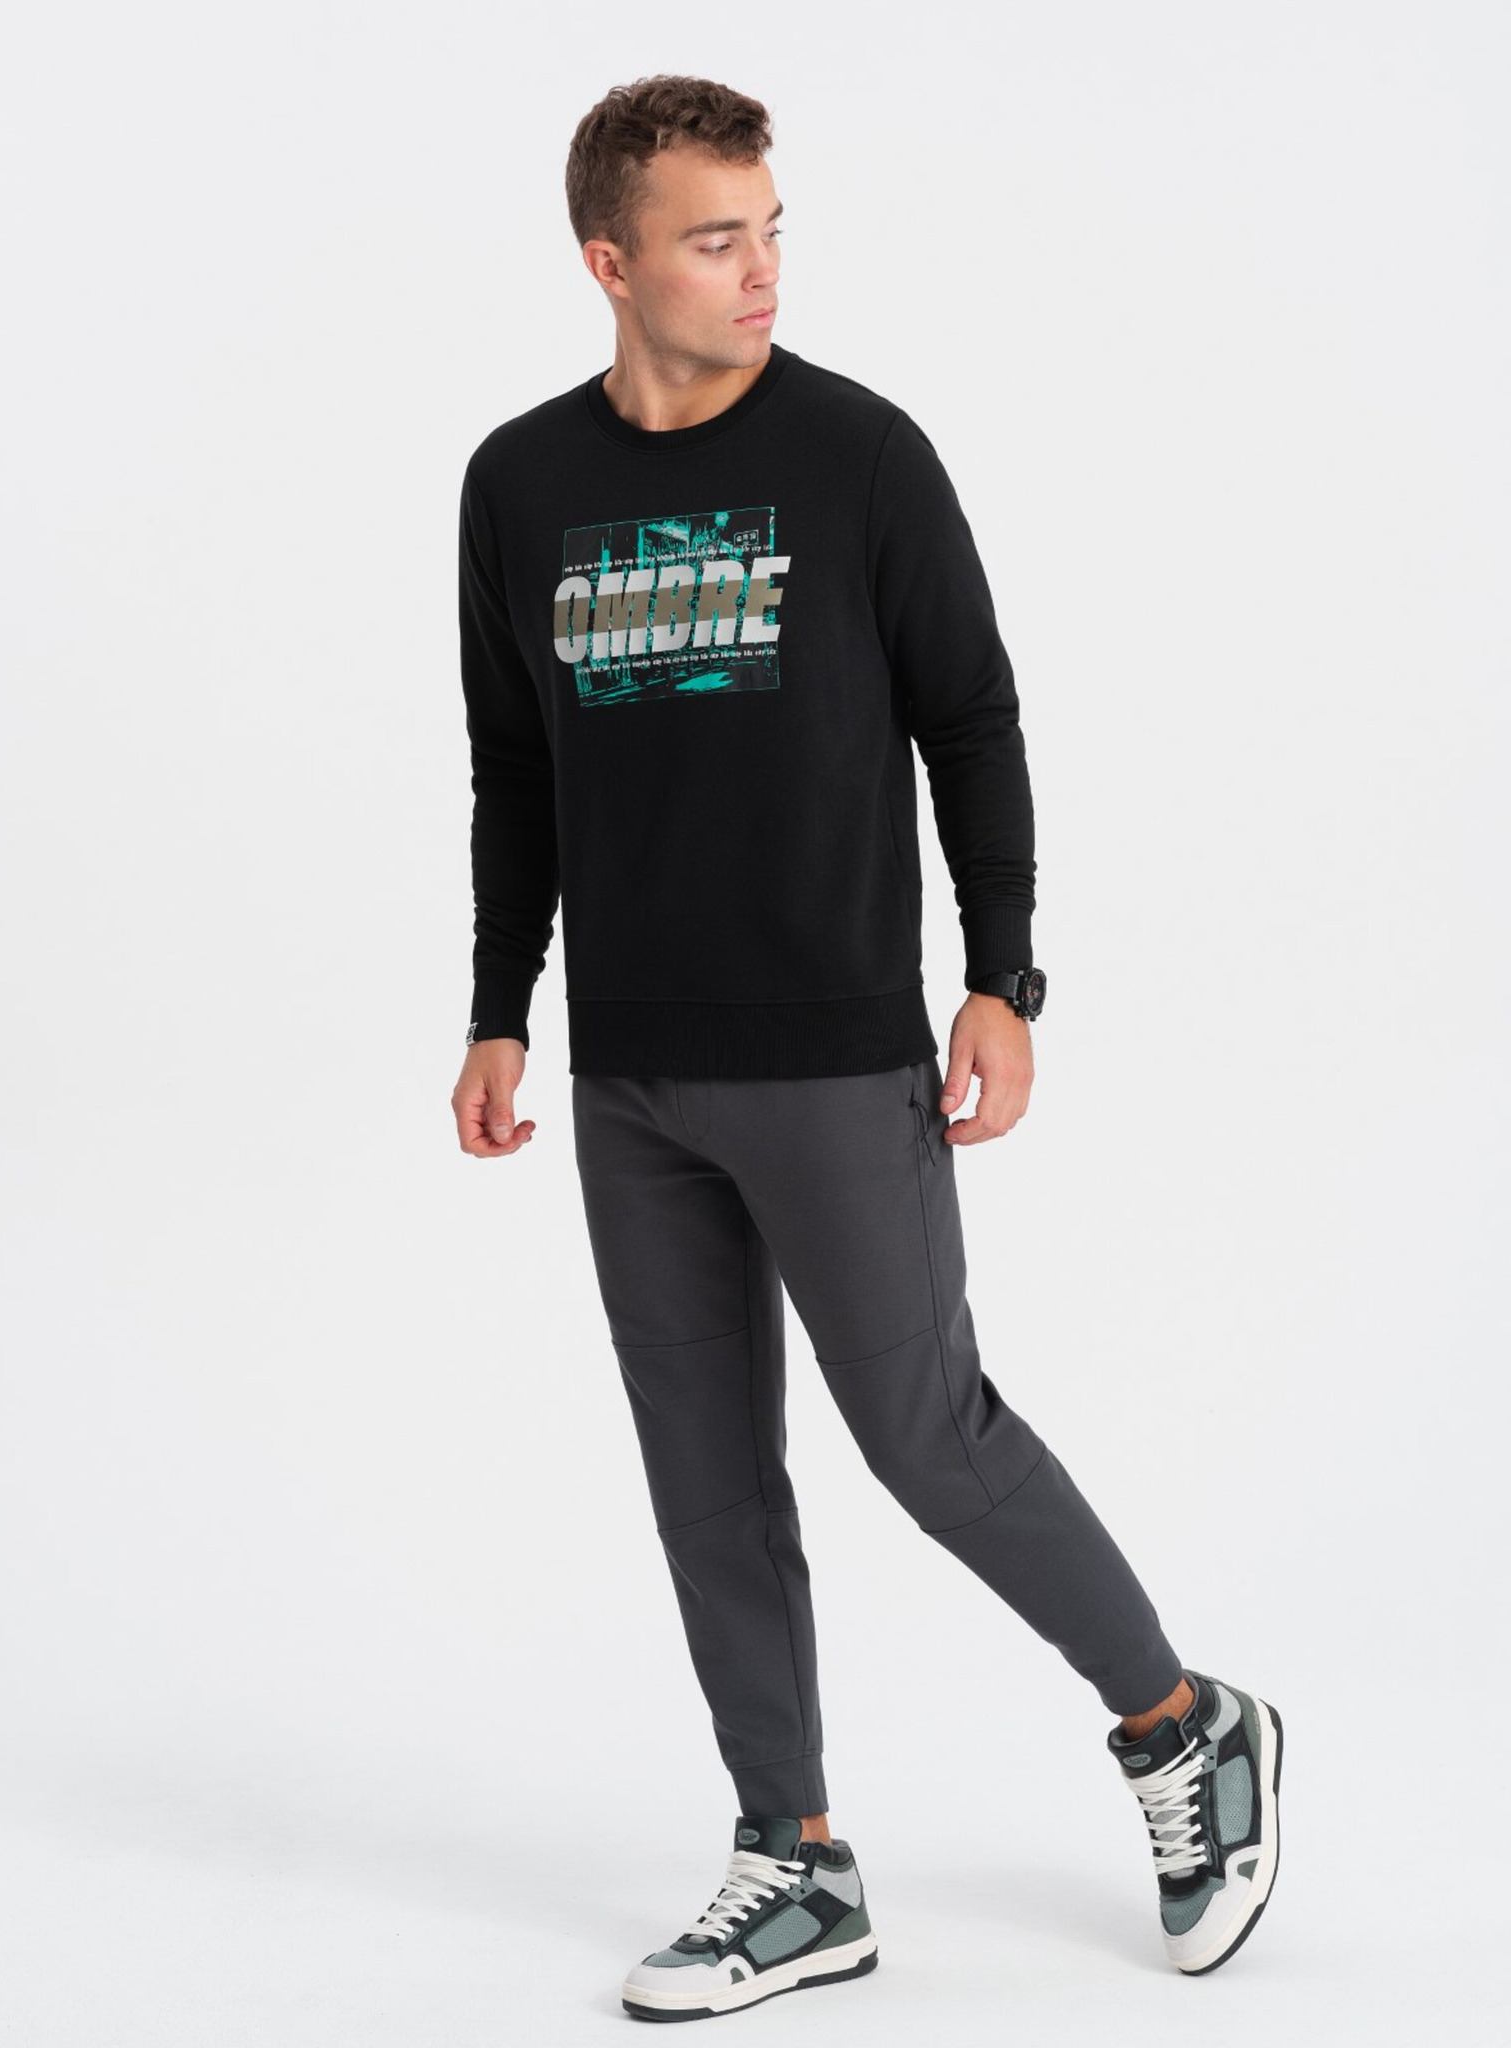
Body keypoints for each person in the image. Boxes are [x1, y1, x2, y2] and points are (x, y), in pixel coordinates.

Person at [449, 72, 1284, 2024]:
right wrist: (501, 1002)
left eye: (770, 230)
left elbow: (970, 714)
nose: (759, 270)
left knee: (928, 1435)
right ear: (610, 262)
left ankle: (1181, 1724)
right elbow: (514, 764)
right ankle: (796, 1860)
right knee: (705, 1478)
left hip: (833, 1047)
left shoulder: (860, 456)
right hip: (629, 1067)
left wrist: (1005, 974)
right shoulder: (516, 481)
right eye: (714, 238)